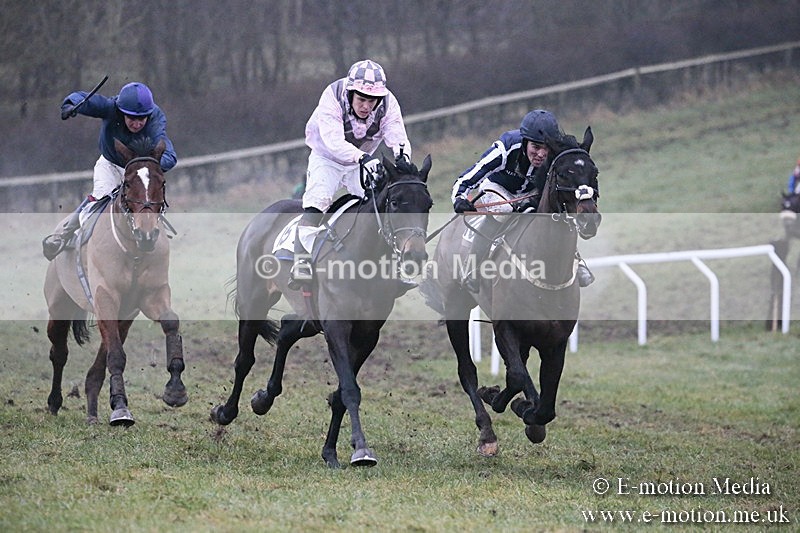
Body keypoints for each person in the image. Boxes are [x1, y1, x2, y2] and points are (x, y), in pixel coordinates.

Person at [289, 59, 411, 288]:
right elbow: (334, 142)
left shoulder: (388, 102)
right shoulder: (332, 96)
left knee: (380, 205)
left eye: (371, 101)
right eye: (361, 99)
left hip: (361, 159)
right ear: (350, 92)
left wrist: (403, 158)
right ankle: (301, 262)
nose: (366, 106)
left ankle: (392, 266)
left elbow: (397, 135)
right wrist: (363, 158)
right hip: (327, 157)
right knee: (318, 201)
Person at [450, 109, 594, 292]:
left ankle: (576, 260)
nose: (541, 154)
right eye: (536, 147)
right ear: (525, 141)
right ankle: (472, 268)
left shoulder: (555, 153)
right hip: (497, 188)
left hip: (531, 192)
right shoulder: (506, 148)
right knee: (505, 211)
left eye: (546, 148)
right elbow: (471, 175)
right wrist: (459, 198)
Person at [42, 81, 177, 260]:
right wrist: (71, 104)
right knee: (101, 195)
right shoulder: (111, 108)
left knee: (147, 200)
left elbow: (170, 156)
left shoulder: (155, 118)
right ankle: (65, 235)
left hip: (140, 170)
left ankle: (150, 237)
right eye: (132, 118)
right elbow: (87, 100)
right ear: (122, 112)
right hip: (111, 165)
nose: (137, 124)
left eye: (142, 119)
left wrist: (148, 167)